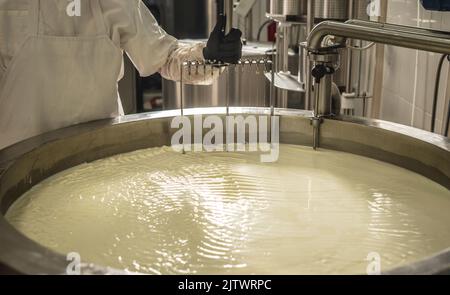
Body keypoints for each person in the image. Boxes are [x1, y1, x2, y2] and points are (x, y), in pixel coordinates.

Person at [0, 0, 242, 149]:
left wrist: (208, 56)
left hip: (98, 155)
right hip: (17, 161)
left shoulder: (115, 2)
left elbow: (165, 57)